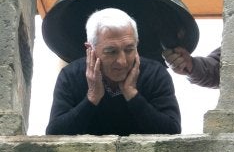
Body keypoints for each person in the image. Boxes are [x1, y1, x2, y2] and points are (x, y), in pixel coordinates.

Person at [46, 8, 181, 136]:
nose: (122, 61)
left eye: (129, 50)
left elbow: (172, 131)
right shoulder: (70, 76)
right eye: (111, 52)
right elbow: (54, 133)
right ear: (90, 49)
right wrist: (92, 97)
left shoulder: (155, 74)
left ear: (137, 44)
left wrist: (132, 95)